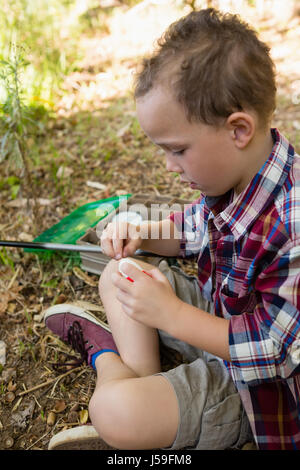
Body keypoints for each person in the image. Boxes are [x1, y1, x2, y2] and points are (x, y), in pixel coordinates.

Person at [44, 8, 300, 450]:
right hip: (217, 324)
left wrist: (172, 315)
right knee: (119, 273)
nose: (169, 165)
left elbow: (275, 352)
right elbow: (193, 228)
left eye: (178, 150)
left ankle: (109, 363)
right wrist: (142, 232)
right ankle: (145, 390)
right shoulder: (239, 176)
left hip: (258, 391)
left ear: (238, 129)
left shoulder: (293, 224)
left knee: (113, 412)